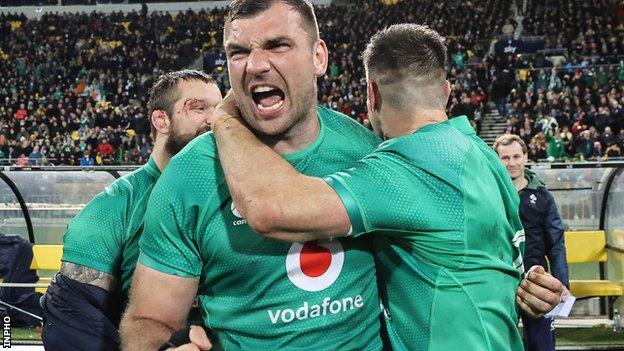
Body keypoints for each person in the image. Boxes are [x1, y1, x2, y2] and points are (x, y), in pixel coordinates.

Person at [209, 23, 565, 351]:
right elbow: (491, 257)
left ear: (372, 93)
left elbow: (271, 210)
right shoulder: (482, 154)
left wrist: (225, 117)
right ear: (445, 91)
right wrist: (526, 283)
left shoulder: (409, 165)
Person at [121, 1, 384, 349]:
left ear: (318, 57)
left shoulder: (367, 152)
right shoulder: (188, 177)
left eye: (278, 45)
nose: (256, 66)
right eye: (239, 52)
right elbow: (149, 320)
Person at [41, 69, 221, 351]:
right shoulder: (113, 207)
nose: (214, 120)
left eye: (218, 109)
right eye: (198, 108)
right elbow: (71, 320)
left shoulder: (240, 199)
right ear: (162, 120)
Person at [494, 134, 570, 351]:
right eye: (505, 158)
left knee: (542, 344)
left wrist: (562, 281)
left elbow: (556, 242)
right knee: (499, 342)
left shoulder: (543, 196)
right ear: (497, 160)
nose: (511, 163)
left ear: (525, 157)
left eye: (516, 156)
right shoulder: (489, 195)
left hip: (537, 280)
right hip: (500, 280)